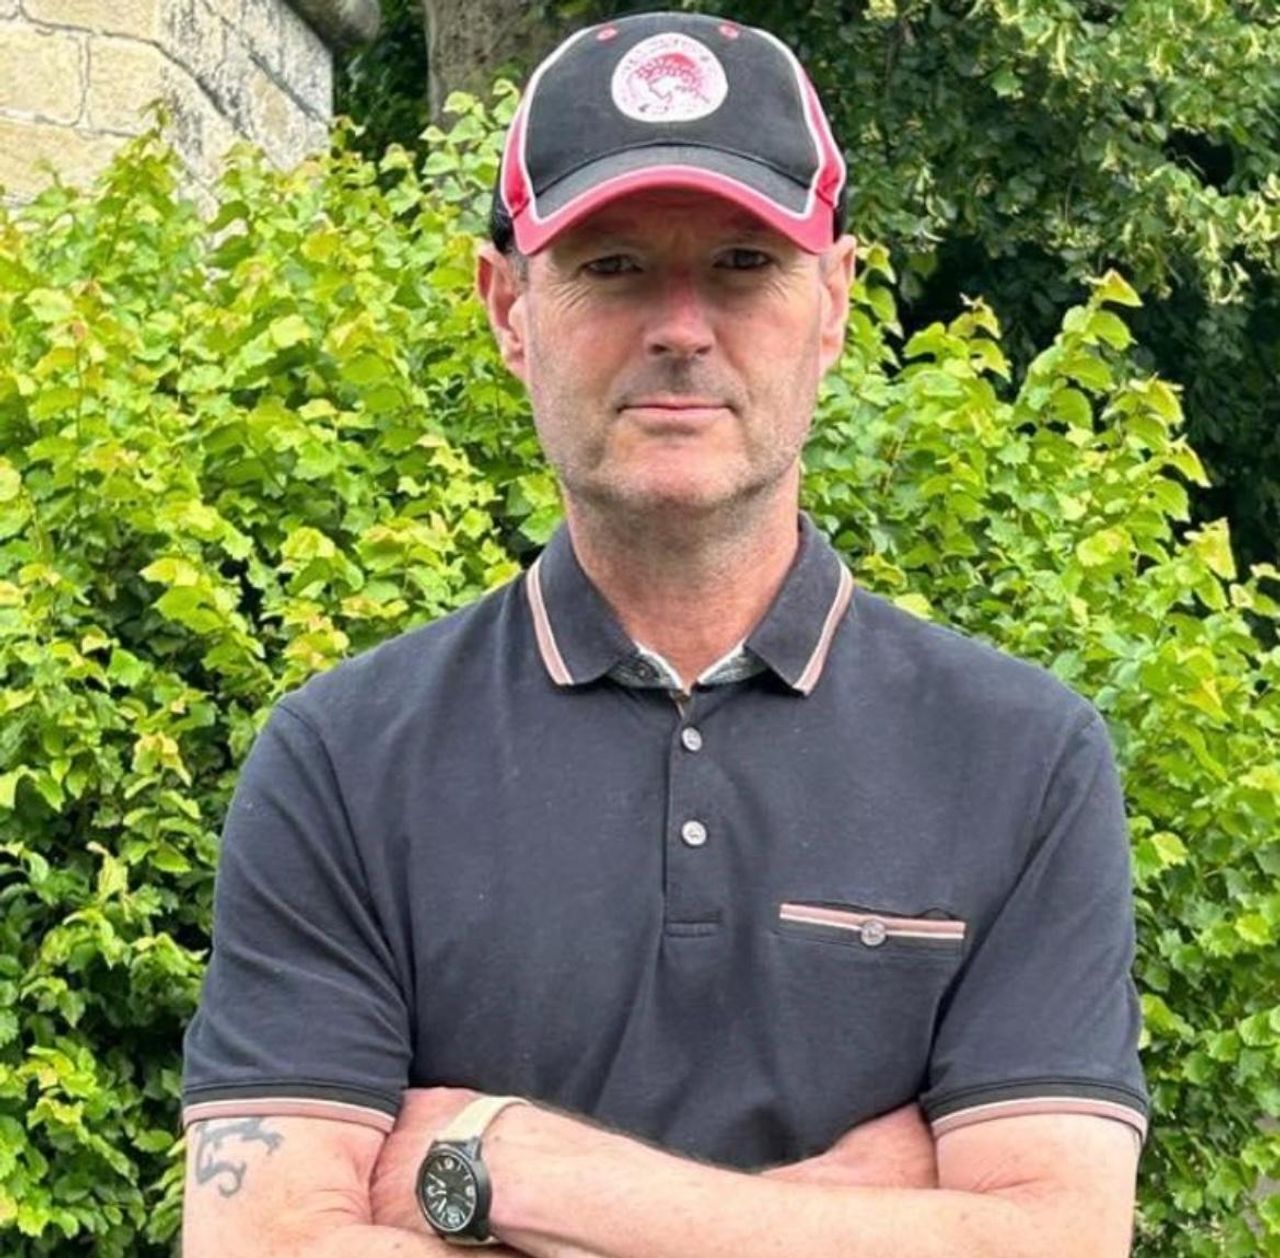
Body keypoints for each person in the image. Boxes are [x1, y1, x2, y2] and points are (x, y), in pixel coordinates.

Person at [181, 11, 1148, 1256]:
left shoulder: (1020, 758)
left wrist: (506, 1166)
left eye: (743, 263)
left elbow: (1055, 1239)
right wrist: (859, 1213)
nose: (681, 327)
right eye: (612, 266)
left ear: (834, 302)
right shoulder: (341, 760)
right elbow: (264, 1243)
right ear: (507, 308)